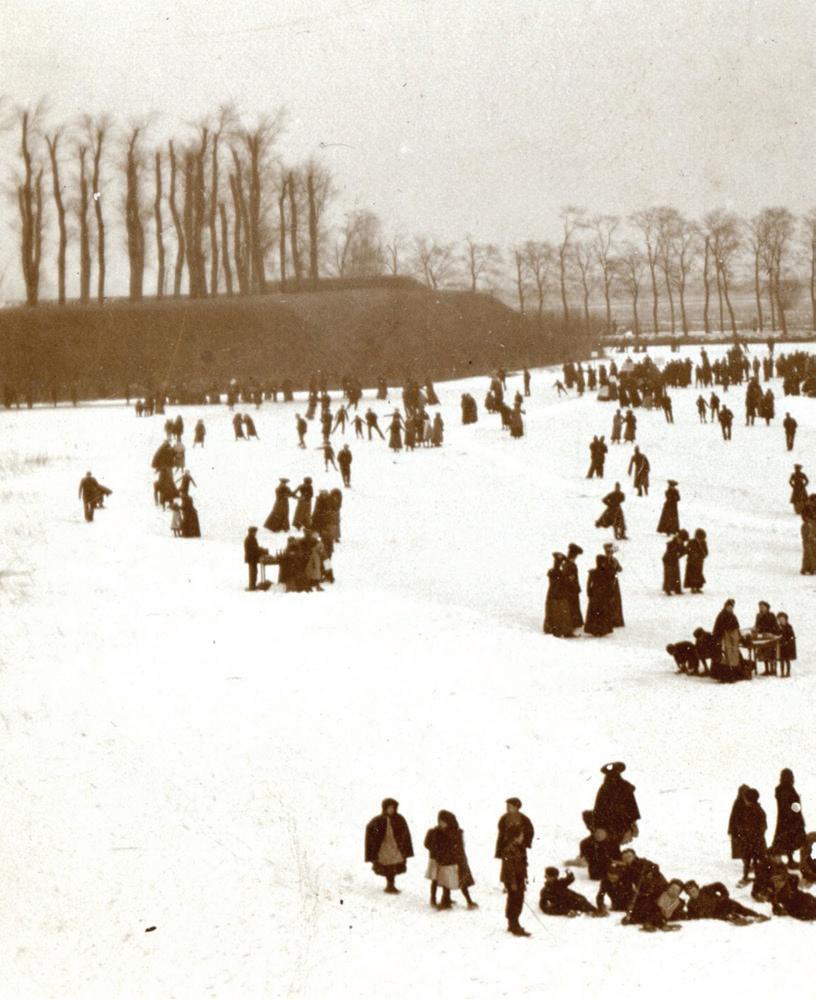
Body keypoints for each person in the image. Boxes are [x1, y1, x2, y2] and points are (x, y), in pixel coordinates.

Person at [424, 811, 477, 910]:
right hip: (441, 861)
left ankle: (464, 901)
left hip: (453, 861)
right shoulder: (436, 832)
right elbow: (428, 844)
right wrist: (437, 852)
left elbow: (457, 848)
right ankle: (440, 900)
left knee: (457, 882)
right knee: (442, 881)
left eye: (443, 822)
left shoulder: (454, 833)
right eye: (440, 821)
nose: (441, 824)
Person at [364, 799, 414, 894]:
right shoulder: (379, 820)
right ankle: (390, 885)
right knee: (388, 866)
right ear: (385, 808)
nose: (391, 810)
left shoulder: (399, 819)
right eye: (389, 808)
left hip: (396, 847)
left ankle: (391, 885)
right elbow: (370, 828)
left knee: (394, 865)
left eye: (393, 808)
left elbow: (405, 833)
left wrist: (403, 845)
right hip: (384, 848)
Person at [593, 762, 640, 847]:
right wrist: (598, 826)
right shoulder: (604, 789)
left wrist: (633, 823)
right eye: (610, 775)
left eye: (615, 774)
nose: (612, 778)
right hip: (608, 825)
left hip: (623, 824)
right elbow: (599, 808)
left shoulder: (625, 787)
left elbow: (632, 806)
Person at [728, 785, 767, 885]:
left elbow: (758, 826)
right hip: (754, 841)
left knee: (749, 860)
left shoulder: (750, 810)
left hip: (751, 841)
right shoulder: (757, 810)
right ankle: (753, 876)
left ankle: (749, 877)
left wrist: (746, 834)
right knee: (753, 860)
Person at [682, 881, 767, 924]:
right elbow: (692, 916)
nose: (693, 894)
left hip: (724, 903)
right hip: (716, 913)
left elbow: (719, 885)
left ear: (697, 888)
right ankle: (737, 919)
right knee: (723, 915)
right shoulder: (691, 904)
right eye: (690, 893)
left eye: (694, 891)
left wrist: (724, 895)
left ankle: (756, 916)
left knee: (740, 908)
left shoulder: (706, 889)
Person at [500, 827, 531, 937]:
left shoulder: (520, 847)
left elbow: (523, 863)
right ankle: (514, 925)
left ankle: (513, 923)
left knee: (518, 901)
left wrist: (525, 877)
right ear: (515, 837)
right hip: (513, 880)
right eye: (521, 835)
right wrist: (513, 883)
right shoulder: (509, 850)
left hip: (519, 878)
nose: (522, 837)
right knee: (515, 902)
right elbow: (509, 869)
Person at [770, 769, 806, 866]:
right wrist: (795, 818)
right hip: (790, 820)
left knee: (788, 840)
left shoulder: (785, 789)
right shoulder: (786, 790)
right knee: (788, 839)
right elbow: (788, 805)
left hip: (787, 819)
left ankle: (789, 860)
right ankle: (783, 860)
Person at [543, 552, 574, 637]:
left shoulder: (553, 572)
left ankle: (553, 629)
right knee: (561, 613)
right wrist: (568, 580)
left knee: (553, 613)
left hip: (552, 594)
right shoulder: (558, 573)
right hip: (559, 595)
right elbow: (560, 583)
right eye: (559, 562)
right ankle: (562, 630)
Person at [584, 556, 614, 636]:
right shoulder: (603, 573)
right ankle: (599, 630)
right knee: (599, 612)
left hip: (599, 595)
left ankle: (598, 629)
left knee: (598, 612)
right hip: (599, 595)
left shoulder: (595, 572)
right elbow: (589, 584)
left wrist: (589, 593)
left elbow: (589, 584)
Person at [600, 542, 624, 628]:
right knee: (611, 600)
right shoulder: (609, 560)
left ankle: (614, 619)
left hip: (611, 582)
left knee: (613, 600)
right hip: (609, 582)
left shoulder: (611, 560)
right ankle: (613, 619)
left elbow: (620, 569)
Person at [713, 599, 741, 671]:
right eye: (729, 607)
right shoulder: (721, 615)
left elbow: (737, 626)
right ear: (725, 607)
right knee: (724, 655)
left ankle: (733, 669)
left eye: (731, 608)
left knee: (732, 654)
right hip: (723, 638)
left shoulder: (733, 616)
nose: (730, 609)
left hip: (731, 639)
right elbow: (719, 628)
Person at [753, 600, 780, 675]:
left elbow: (775, 625)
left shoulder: (771, 615)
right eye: (760, 607)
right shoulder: (758, 615)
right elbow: (757, 625)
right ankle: (767, 669)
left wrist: (772, 633)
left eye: (762, 607)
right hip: (762, 637)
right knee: (764, 653)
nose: (761, 608)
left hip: (770, 636)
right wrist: (755, 629)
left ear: (767, 607)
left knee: (772, 654)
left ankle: (773, 669)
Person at [562, 543, 583, 633]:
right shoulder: (569, 564)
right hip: (570, 589)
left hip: (572, 589)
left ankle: (574, 623)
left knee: (573, 606)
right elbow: (570, 578)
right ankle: (572, 624)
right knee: (572, 606)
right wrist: (575, 585)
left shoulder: (567, 563)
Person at [243, 527, 268, 591]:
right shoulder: (250, 539)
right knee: (253, 572)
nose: (255, 533)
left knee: (254, 572)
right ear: (251, 532)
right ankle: (252, 586)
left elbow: (255, 548)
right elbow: (254, 549)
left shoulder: (251, 538)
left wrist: (262, 550)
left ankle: (252, 585)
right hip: (251, 558)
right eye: (254, 532)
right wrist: (263, 551)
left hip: (252, 558)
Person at [684, 528, 708, 593]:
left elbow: (706, 552)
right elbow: (686, 550)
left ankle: (698, 588)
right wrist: (692, 553)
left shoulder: (704, 543)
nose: (700, 540)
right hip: (691, 562)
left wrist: (700, 555)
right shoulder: (691, 542)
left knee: (698, 575)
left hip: (699, 562)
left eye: (701, 538)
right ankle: (692, 588)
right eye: (699, 538)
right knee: (691, 575)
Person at [777, 612, 796, 678]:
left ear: (786, 619)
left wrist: (788, 641)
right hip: (781, 646)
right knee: (781, 660)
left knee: (787, 660)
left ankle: (788, 672)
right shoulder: (778, 627)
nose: (781, 621)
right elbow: (776, 634)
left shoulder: (789, 627)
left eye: (782, 619)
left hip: (787, 646)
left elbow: (792, 636)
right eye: (780, 619)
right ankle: (782, 673)